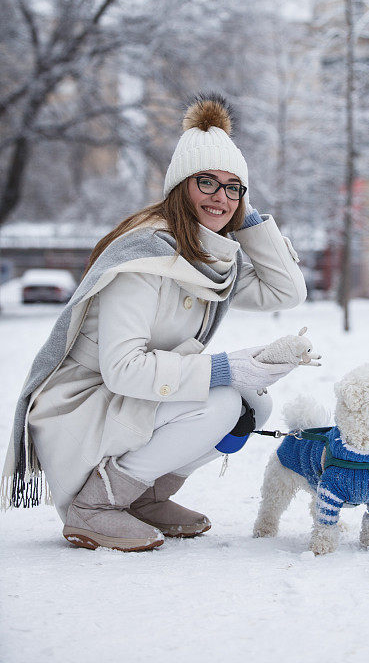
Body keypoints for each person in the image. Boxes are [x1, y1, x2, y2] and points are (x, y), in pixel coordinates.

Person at [1, 93, 308, 552]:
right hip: (84, 408)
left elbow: (286, 291)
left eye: (233, 187)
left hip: (123, 405)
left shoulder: (207, 260)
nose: (220, 197)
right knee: (223, 403)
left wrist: (249, 220)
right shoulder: (145, 257)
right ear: (180, 186)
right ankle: (95, 506)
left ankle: (144, 499)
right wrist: (226, 368)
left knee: (253, 406)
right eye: (206, 182)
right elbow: (122, 369)